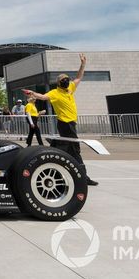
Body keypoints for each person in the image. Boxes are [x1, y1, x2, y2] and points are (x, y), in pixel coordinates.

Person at [23, 53, 98, 186]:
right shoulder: (54, 93)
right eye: (64, 80)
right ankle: (83, 177)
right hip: (65, 124)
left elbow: (79, 77)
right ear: (58, 82)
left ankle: (54, 161)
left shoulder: (70, 88)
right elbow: (42, 97)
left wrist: (83, 64)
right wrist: (32, 93)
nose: (66, 81)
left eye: (67, 79)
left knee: (65, 150)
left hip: (71, 124)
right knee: (75, 150)